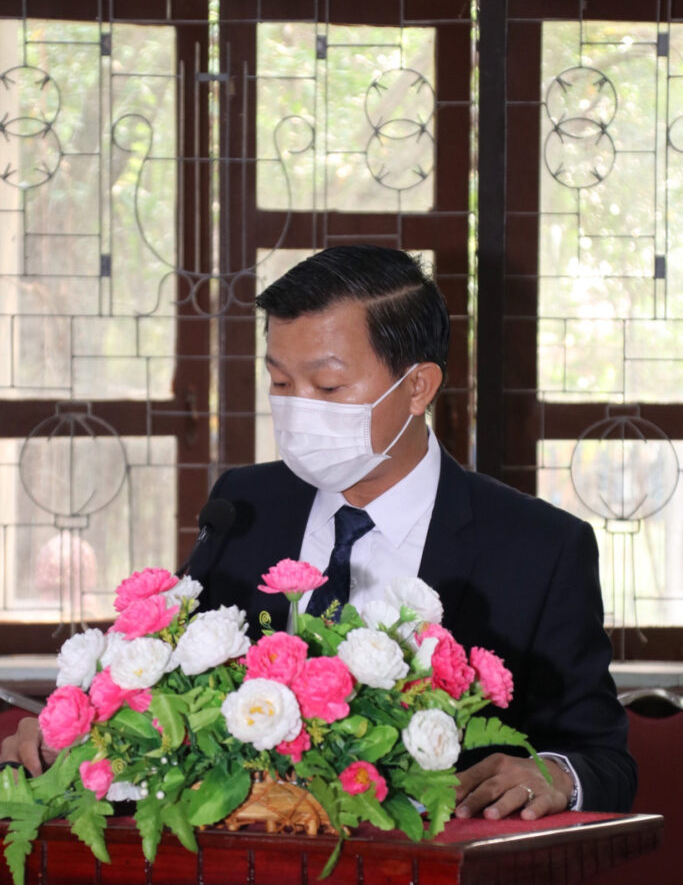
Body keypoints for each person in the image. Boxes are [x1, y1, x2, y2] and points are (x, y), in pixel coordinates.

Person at [1, 245, 636, 821]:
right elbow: (172, 691)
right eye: (281, 383)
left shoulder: (539, 547)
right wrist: (82, 732)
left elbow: (604, 760)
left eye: (328, 385)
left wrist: (557, 775)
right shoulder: (244, 505)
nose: (298, 407)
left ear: (418, 386)